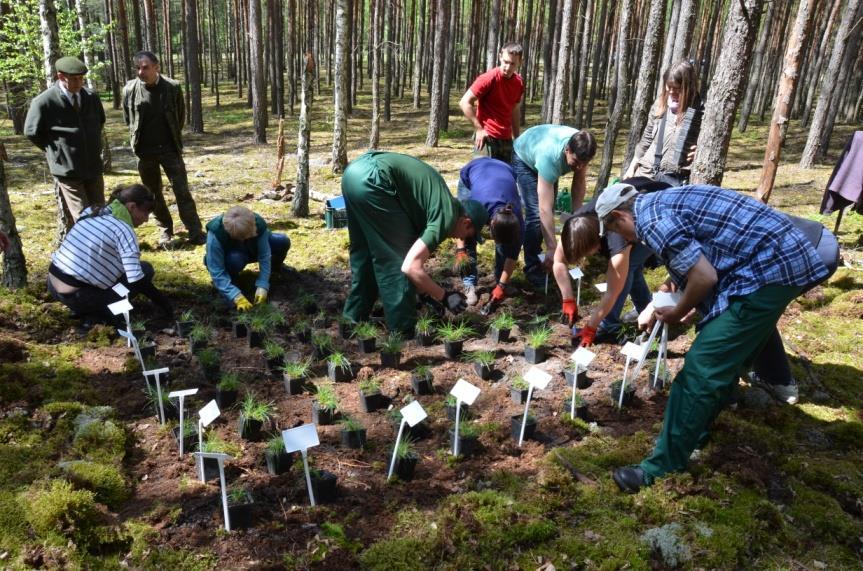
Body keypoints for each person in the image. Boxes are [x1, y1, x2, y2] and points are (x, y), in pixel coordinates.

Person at [594, 185, 828, 493]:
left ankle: (661, 467)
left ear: (619, 215)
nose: (625, 239)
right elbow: (695, 258)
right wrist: (672, 301)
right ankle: (697, 429)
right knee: (722, 354)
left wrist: (679, 311)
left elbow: (704, 277)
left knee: (702, 366)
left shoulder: (650, 221)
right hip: (776, 259)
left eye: (616, 229)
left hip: (768, 269)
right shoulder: (661, 202)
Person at [341, 151, 488, 335]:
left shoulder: (440, 202)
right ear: (466, 222)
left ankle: (352, 319)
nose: (463, 240)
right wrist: (445, 296)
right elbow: (409, 266)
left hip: (352, 174)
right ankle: (403, 331)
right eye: (469, 235)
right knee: (394, 259)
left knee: (364, 255)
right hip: (375, 181)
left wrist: (426, 295)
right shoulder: (447, 215)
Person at [47, 184, 173, 326]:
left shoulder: (92, 211)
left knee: (136, 268)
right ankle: (102, 314)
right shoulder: (123, 230)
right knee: (145, 270)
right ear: (131, 207)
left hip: (53, 285)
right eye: (145, 213)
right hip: (80, 297)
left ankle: (91, 309)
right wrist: (164, 304)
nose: (146, 220)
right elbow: (137, 280)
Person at [552, 184, 661, 344]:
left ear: (597, 245)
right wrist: (568, 299)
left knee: (628, 268)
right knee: (632, 268)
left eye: (586, 254)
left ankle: (609, 326)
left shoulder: (617, 240)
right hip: (624, 204)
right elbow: (558, 261)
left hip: (650, 214)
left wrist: (591, 326)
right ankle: (648, 312)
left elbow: (612, 291)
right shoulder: (576, 225)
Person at [122, 51, 205, 246]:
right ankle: (165, 229)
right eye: (138, 68)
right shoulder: (130, 90)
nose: (141, 72)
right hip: (144, 152)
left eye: (145, 67)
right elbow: (129, 119)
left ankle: (195, 231)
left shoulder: (172, 88)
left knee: (182, 191)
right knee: (153, 194)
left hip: (170, 150)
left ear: (156, 67)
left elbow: (180, 116)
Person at [24, 56, 105, 236]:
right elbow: (31, 132)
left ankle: (105, 251)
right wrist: (57, 152)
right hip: (67, 170)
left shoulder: (91, 97)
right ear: (61, 77)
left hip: (93, 167)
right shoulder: (44, 102)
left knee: (101, 213)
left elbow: (100, 121)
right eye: (74, 78)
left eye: (81, 78)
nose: (78, 82)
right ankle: (88, 256)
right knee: (84, 217)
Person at [512, 125, 596, 289]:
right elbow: (544, 209)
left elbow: (578, 183)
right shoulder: (550, 158)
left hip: (545, 156)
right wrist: (552, 247)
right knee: (536, 215)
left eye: (583, 164)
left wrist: (576, 218)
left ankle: (551, 259)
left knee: (551, 212)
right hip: (524, 157)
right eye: (576, 162)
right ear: (567, 150)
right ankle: (533, 267)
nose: (579, 167)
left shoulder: (583, 148)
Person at [452, 157, 524, 308]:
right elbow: (460, 224)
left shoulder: (517, 223)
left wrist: (502, 286)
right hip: (473, 173)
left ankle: (500, 279)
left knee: (506, 247)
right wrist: (460, 250)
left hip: (503, 170)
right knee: (469, 236)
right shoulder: (477, 204)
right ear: (490, 224)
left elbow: (512, 255)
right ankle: (469, 283)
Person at [623, 60, 702, 186]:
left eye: (676, 88)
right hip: (647, 173)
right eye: (668, 87)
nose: (671, 92)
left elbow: (706, 146)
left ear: (688, 88)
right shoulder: (660, 104)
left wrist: (700, 153)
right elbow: (646, 139)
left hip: (676, 181)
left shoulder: (700, 112)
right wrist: (632, 167)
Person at [204, 206, 291, 311]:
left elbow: (264, 255)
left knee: (282, 241)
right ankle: (231, 284)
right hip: (233, 256)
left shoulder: (256, 223)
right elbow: (216, 270)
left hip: (251, 250)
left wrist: (263, 284)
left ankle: (275, 271)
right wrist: (235, 296)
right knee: (234, 260)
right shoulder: (215, 235)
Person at [459, 43, 524, 163]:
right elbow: (464, 102)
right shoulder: (488, 78)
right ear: (500, 57)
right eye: (505, 62)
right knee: (483, 176)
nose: (508, 67)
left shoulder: (518, 83)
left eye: (512, 64)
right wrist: (479, 129)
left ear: (520, 62)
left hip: (506, 139)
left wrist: (517, 138)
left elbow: (514, 110)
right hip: (486, 138)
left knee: (504, 177)